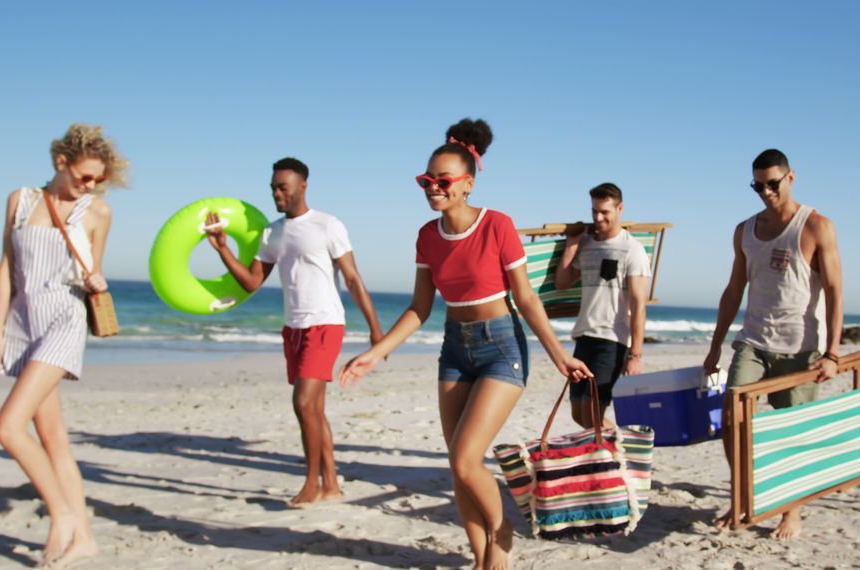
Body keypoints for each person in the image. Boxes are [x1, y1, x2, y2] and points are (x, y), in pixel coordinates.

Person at [338, 119, 592, 570]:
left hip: (502, 347)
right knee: (459, 468)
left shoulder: (497, 225)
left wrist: (559, 356)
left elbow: (526, 297)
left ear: (467, 184)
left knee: (465, 456)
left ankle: (503, 531)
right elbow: (419, 308)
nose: (433, 187)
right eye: (426, 180)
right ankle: (482, 560)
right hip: (454, 349)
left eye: (443, 180)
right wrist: (375, 352)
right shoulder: (427, 236)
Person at [0, 124, 126, 567]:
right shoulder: (21, 200)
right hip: (24, 322)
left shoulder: (97, 212)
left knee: (7, 428)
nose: (90, 185)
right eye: (84, 176)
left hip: (64, 319)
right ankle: (83, 536)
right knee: (52, 436)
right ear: (60, 162)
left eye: (97, 179)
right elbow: (7, 268)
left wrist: (96, 279)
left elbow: (92, 273)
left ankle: (61, 515)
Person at [204, 157, 383, 507]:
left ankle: (311, 483)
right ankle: (331, 484)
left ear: (302, 186)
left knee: (302, 404)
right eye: (272, 187)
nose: (276, 193)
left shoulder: (327, 225)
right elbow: (253, 282)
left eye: (282, 187)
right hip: (294, 327)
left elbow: (352, 278)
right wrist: (223, 248)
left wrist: (376, 331)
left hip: (325, 323)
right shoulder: (272, 232)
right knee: (313, 409)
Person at [703, 148, 843, 540]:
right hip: (752, 342)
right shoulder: (744, 229)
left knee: (790, 431)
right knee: (733, 420)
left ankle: (790, 511)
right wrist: (715, 346)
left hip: (800, 349)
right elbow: (734, 290)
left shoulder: (817, 226)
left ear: (790, 178)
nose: (765, 192)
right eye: (757, 185)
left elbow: (834, 291)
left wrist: (832, 352)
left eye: (772, 184)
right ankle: (742, 498)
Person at [554, 182, 650, 429]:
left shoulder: (632, 249)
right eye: (594, 211)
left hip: (612, 340)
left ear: (620, 209)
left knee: (593, 415)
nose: (598, 217)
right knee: (578, 414)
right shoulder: (586, 244)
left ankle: (619, 454)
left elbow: (639, 306)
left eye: (605, 212)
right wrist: (571, 247)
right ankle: (620, 447)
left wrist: (635, 355)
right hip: (584, 336)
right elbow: (562, 283)